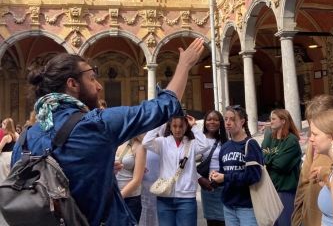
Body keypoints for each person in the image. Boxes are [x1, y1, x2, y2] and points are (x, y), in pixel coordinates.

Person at [10, 37, 204, 226]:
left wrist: (97, 170)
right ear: (72, 84)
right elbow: (163, 106)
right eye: (92, 78)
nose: (99, 86)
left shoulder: (26, 138)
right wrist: (184, 65)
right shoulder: (95, 124)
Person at [142, 115, 209, 226]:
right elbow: (146, 142)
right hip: (164, 197)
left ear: (186, 126)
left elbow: (205, 145)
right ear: (170, 126)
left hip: (186, 198)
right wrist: (159, 123)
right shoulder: (162, 142)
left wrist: (194, 127)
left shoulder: (192, 144)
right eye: (174, 126)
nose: (178, 129)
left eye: (181, 126)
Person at [210, 106, 263, 226]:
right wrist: (216, 178)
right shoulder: (225, 147)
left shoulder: (251, 145)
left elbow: (254, 176)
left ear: (242, 121)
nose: (228, 122)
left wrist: (225, 178)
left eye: (232, 119)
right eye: (226, 119)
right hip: (229, 205)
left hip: (247, 207)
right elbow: (224, 173)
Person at [291, 95, 333, 226]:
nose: (311, 136)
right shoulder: (313, 144)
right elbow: (303, 184)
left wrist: (326, 174)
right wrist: (297, 218)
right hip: (306, 218)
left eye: (316, 130)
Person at [261, 109, 302, 226]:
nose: (271, 122)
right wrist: (274, 156)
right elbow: (260, 157)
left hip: (286, 191)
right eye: (270, 119)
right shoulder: (269, 137)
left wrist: (268, 156)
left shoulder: (291, 140)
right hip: (270, 190)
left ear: (283, 121)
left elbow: (281, 165)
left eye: (273, 119)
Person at [197, 110, 228, 226]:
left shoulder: (224, 140)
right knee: (211, 221)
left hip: (223, 186)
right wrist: (200, 179)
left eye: (215, 120)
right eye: (209, 119)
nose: (212, 122)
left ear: (220, 122)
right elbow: (188, 163)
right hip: (207, 186)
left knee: (225, 221)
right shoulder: (199, 140)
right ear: (205, 122)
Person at [115, 135, 146, 223]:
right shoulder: (115, 141)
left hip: (130, 199)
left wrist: (119, 197)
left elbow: (137, 180)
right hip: (112, 197)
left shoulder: (139, 146)